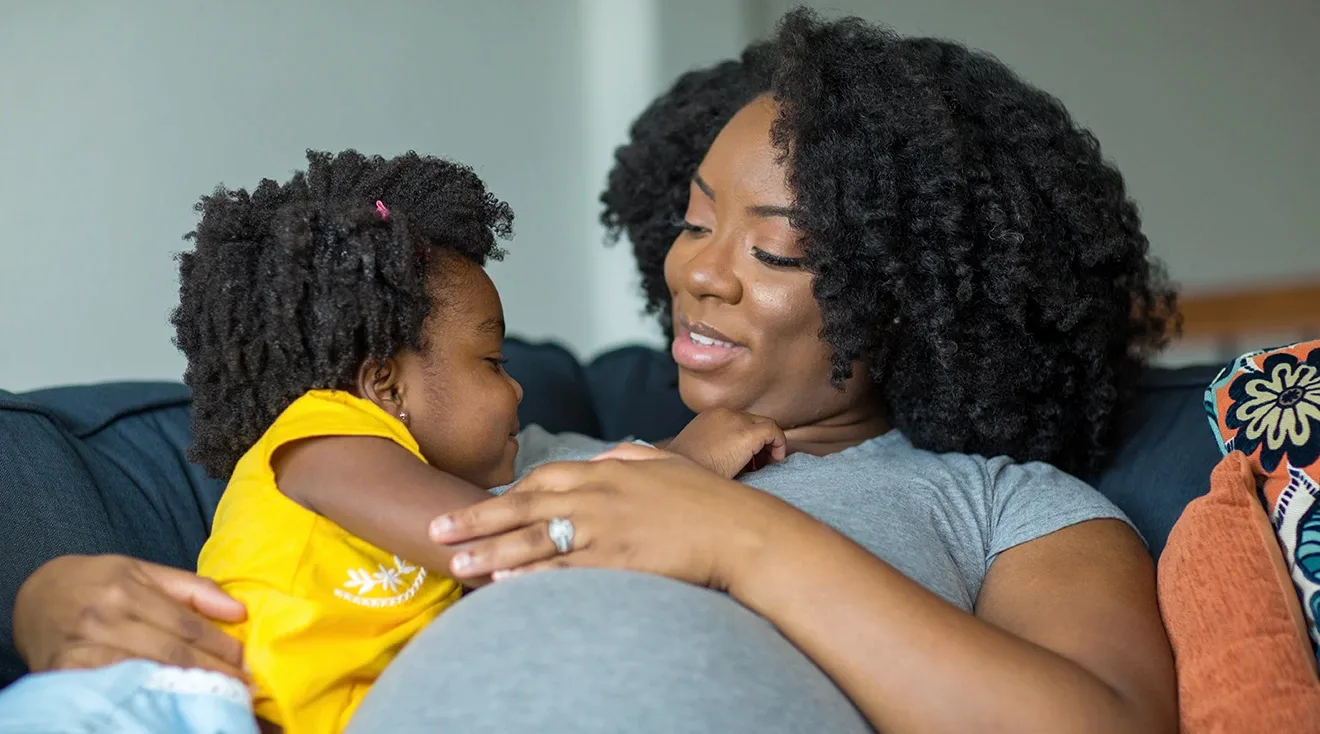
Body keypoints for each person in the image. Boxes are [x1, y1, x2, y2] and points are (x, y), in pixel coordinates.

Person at [10, 10, 1180, 733]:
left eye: (775, 248)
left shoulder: (1005, 505)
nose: (700, 275)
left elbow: (1101, 721)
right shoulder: (510, 453)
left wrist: (739, 539)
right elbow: (282, 553)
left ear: (929, 295)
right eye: (691, 221)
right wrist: (49, 599)